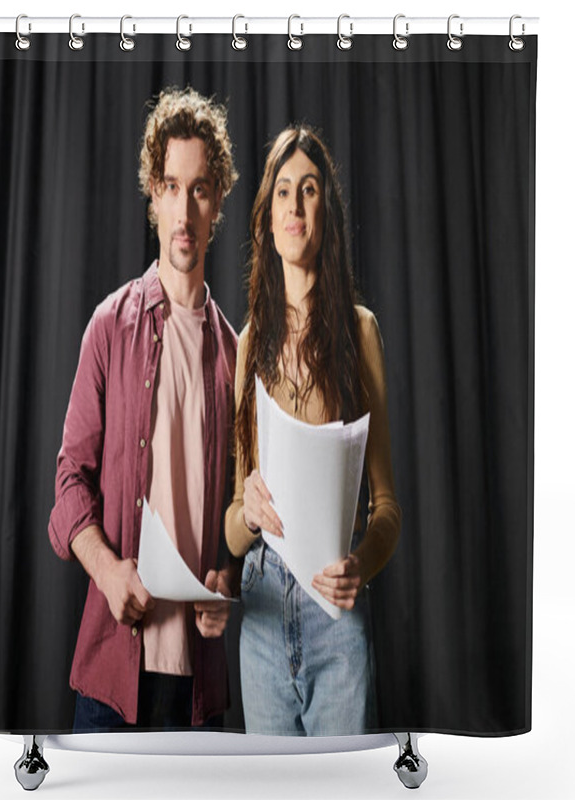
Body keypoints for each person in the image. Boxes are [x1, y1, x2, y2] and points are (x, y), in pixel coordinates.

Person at [49, 87, 240, 732]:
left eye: (201, 188)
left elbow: (247, 512)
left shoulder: (236, 356)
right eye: (171, 185)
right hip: (111, 675)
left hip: (198, 689)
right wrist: (106, 570)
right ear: (152, 195)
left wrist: (227, 582)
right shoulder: (109, 325)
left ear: (218, 202)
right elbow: (69, 479)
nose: (184, 208)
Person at [225, 125, 401, 735]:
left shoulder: (361, 332)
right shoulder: (246, 346)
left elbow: (387, 510)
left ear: (326, 210)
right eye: (282, 192)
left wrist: (361, 564)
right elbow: (230, 528)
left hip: (337, 614)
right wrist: (246, 512)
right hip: (263, 615)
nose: (295, 205)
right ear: (266, 221)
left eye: (309, 189)